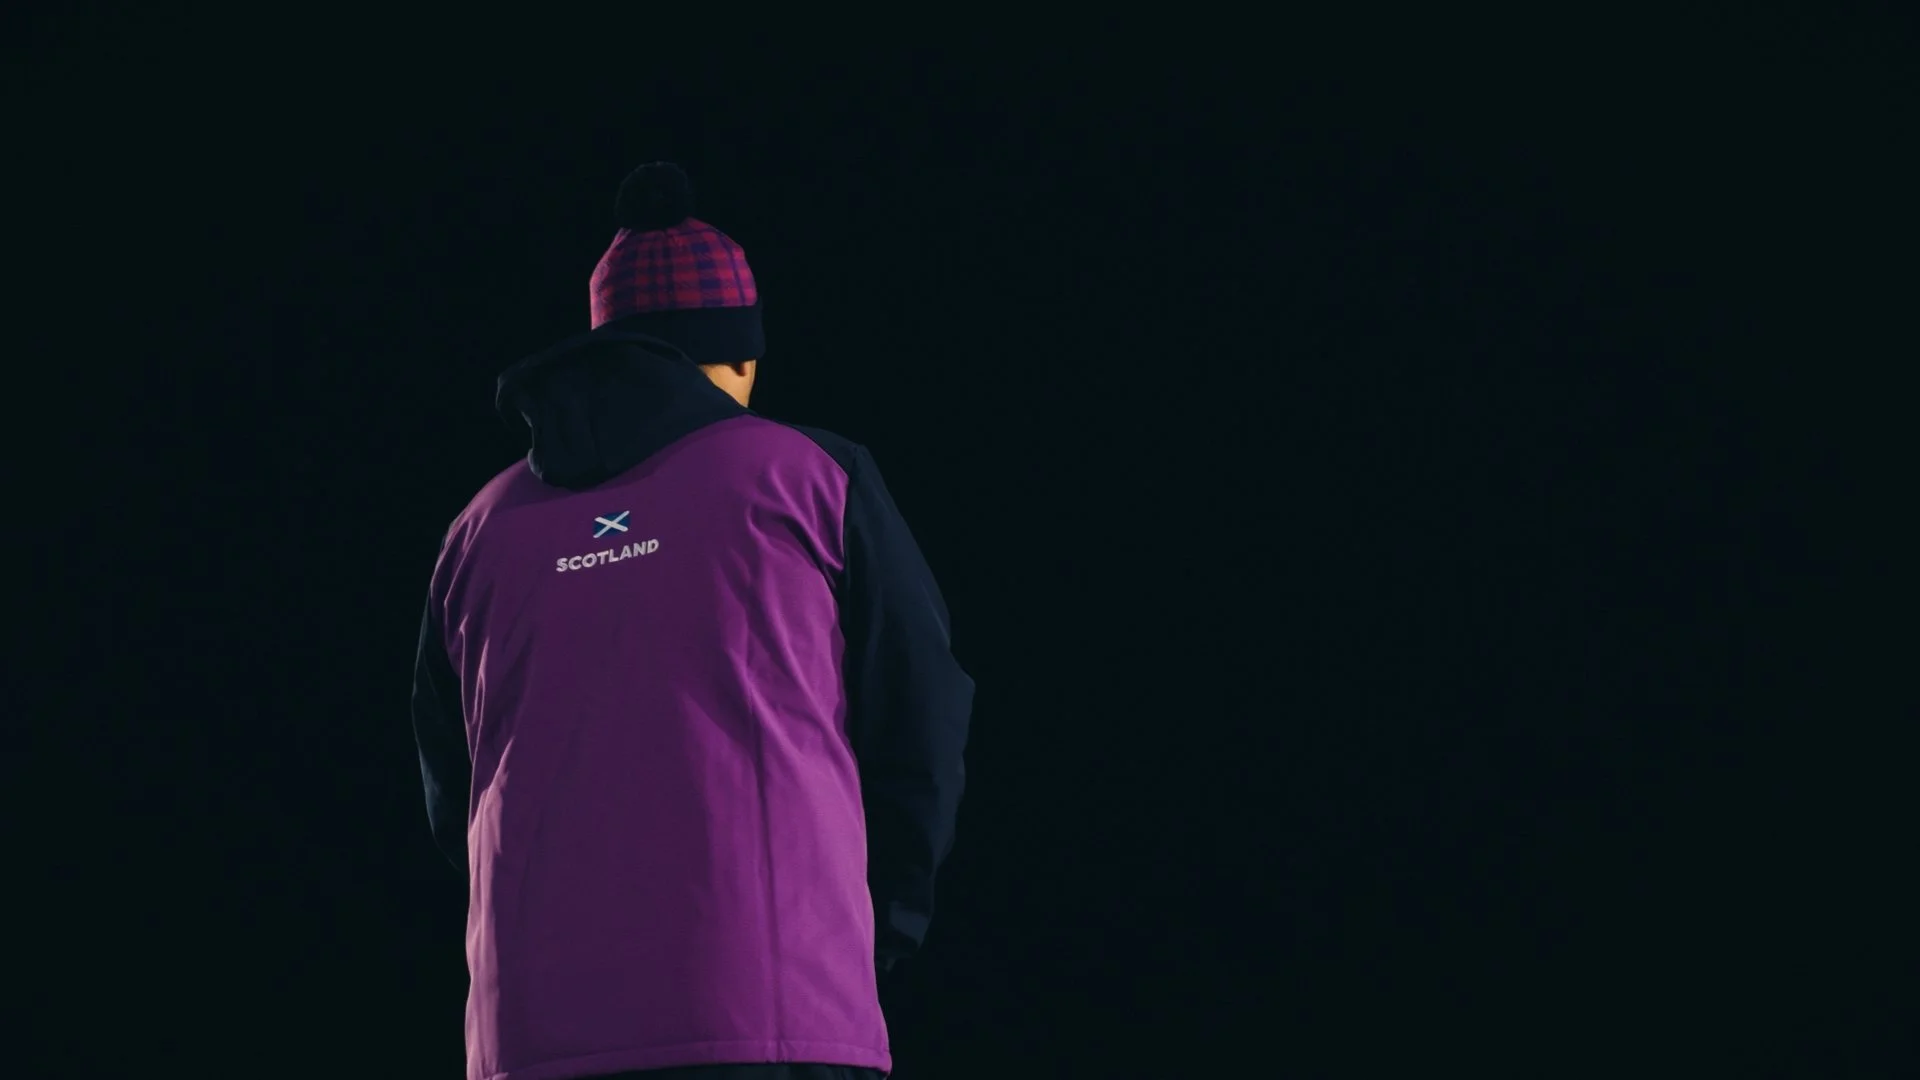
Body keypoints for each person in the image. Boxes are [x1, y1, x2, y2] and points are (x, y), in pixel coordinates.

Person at [410, 162, 975, 1080]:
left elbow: (452, 796)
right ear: (741, 359)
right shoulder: (808, 477)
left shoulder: (476, 533)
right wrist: (870, 939)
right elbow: (922, 727)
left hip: (528, 1039)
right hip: (773, 1014)